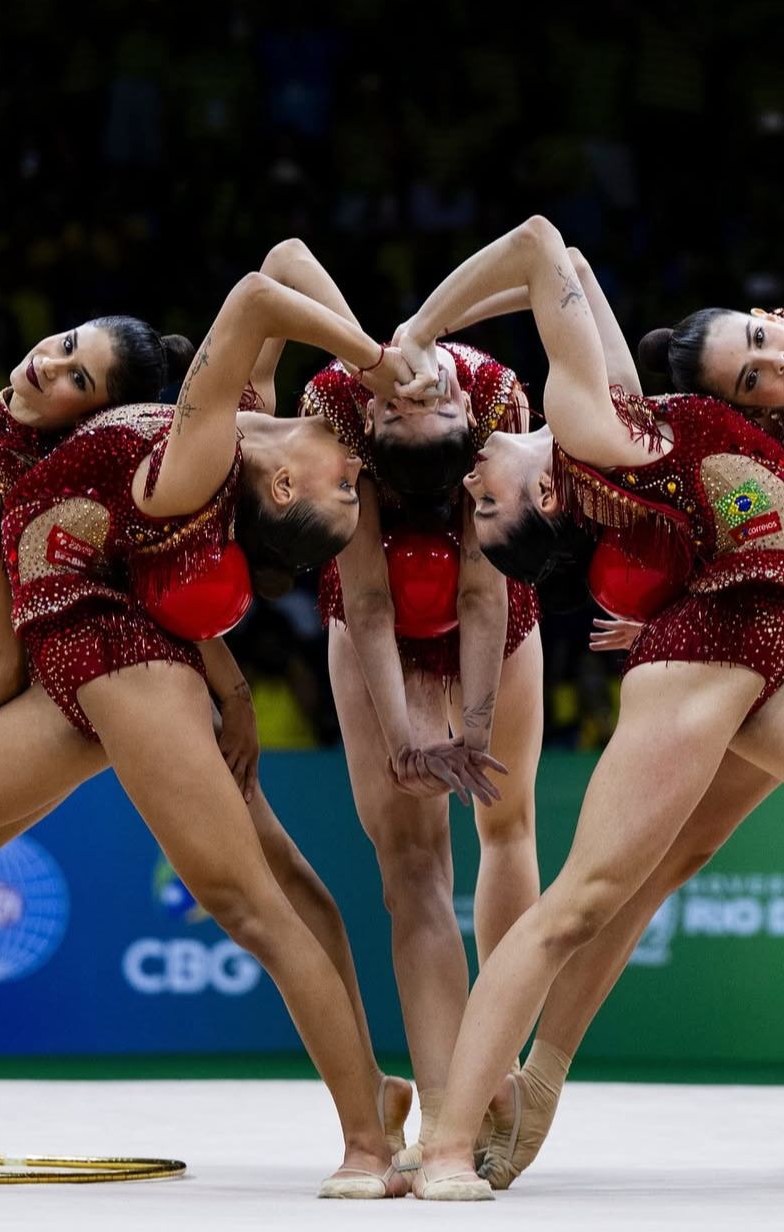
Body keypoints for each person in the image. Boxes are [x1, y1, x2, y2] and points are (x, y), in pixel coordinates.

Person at [394, 216, 784, 1199]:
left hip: (762, 646)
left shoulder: (634, 410)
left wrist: (421, 338)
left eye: (761, 339)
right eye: (484, 505)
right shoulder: (596, 427)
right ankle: (465, 1130)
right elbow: (539, 250)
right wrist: (421, 337)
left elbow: (562, 263)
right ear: (552, 504)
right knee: (591, 896)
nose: (473, 475)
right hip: (753, 655)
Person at [0, 258, 419, 1196]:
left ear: (287, 488)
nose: (357, 471)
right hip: (87, 671)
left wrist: (379, 360)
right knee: (279, 886)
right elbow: (283, 266)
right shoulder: (248, 422)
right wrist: (377, 369)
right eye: (358, 486)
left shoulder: (205, 446)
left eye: (351, 486)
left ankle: (368, 1145)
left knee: (248, 902)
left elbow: (253, 297)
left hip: (110, 671)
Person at [299, 321, 543, 1164]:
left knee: (506, 823)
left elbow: (483, 593)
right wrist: (404, 740)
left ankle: (496, 1070)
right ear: (368, 440)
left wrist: (471, 733)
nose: (418, 393)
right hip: (372, 627)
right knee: (410, 866)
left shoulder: (498, 400)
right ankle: (444, 1106)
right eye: (404, 410)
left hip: (493, 619)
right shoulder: (334, 406)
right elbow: (366, 599)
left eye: (428, 405)